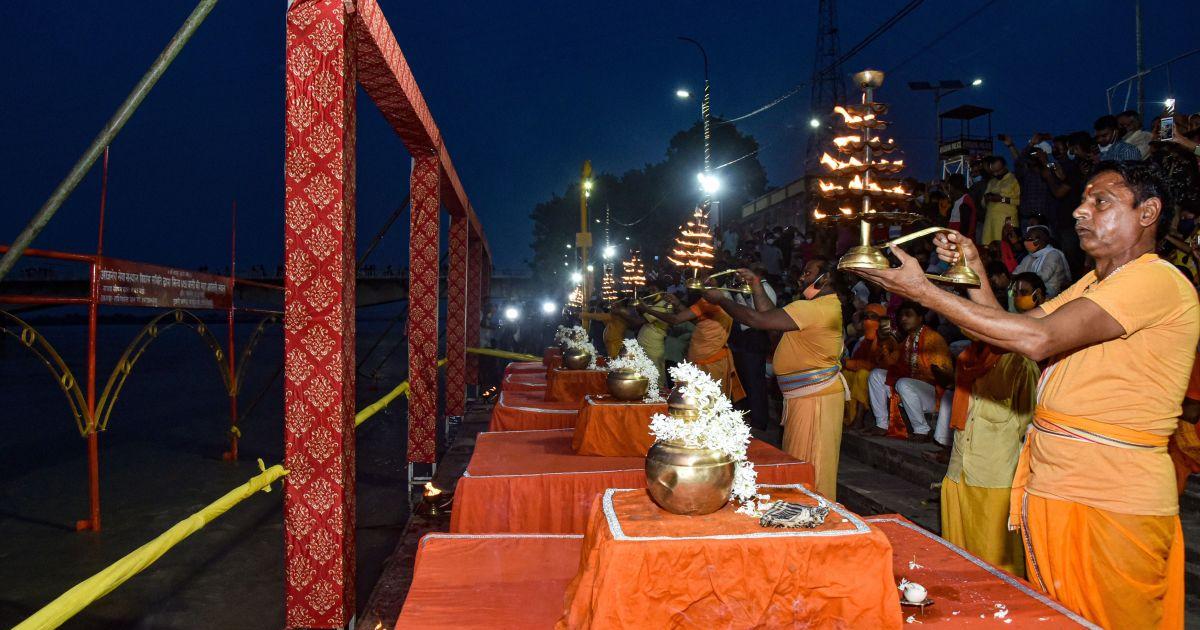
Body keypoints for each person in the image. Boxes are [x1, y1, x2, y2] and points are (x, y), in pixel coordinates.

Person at [851, 160, 1199, 628]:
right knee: (1058, 616)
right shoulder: (1095, 283)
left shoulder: (1155, 279)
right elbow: (1012, 331)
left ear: (1148, 212)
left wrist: (924, 292)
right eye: (1083, 199)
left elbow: (1038, 340)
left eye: (1100, 202)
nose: (1079, 211)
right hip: (1059, 481)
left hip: (1111, 492)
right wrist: (973, 269)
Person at [700, 258, 846, 499]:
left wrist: (722, 300)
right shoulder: (815, 306)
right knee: (799, 458)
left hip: (815, 398)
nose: (802, 277)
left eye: (808, 272)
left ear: (826, 278)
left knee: (812, 462)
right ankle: (802, 505)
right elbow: (768, 316)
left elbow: (757, 320)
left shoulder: (816, 308)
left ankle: (816, 509)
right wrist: (756, 285)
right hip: (804, 396)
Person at [939, 340, 1040, 577]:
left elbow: (1027, 421)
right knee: (958, 553)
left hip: (993, 470)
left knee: (995, 556)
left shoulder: (1020, 364)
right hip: (959, 467)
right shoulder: (967, 359)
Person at [865, 302, 953, 442]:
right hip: (910, 388)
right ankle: (881, 424)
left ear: (920, 318)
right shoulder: (907, 340)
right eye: (901, 316)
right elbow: (891, 364)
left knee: (903, 383)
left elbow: (944, 377)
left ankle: (922, 430)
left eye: (908, 315)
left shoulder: (933, 339)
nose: (903, 319)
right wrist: (883, 343)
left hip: (934, 394)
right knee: (876, 375)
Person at [650, 290, 746, 402]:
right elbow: (697, 320)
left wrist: (647, 309)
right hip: (705, 356)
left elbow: (675, 319)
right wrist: (678, 304)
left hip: (711, 359)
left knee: (708, 398)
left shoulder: (711, 300)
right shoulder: (723, 299)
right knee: (703, 397)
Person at [729, 264, 777, 431]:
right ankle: (749, 415)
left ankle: (759, 421)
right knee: (745, 379)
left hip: (756, 336)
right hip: (744, 337)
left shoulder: (765, 289)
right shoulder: (746, 288)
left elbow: (764, 315)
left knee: (755, 380)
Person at [843, 303, 895, 429]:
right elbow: (858, 360)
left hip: (887, 378)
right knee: (846, 374)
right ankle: (849, 417)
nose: (868, 320)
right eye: (866, 317)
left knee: (862, 374)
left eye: (873, 317)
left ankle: (859, 417)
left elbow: (876, 365)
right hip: (872, 374)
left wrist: (849, 363)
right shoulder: (865, 341)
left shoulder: (888, 339)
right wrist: (846, 363)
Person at [1011, 225, 1071, 297]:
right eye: (1025, 239)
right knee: (1012, 292)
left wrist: (1024, 281)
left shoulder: (1053, 254)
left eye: (1029, 239)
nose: (1025, 242)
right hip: (1033, 290)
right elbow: (1016, 273)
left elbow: (1044, 276)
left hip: (1051, 294)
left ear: (1040, 241)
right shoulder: (1029, 256)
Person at [980, 155, 1020, 245]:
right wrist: (987, 199)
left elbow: (1020, 201)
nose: (996, 174)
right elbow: (982, 204)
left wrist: (1002, 199)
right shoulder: (992, 181)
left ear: (1005, 167)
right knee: (989, 247)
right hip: (990, 223)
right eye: (993, 171)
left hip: (1006, 222)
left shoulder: (1014, 180)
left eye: (998, 171)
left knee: (1005, 247)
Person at [944, 174, 978, 238]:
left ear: (952, 186)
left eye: (948, 186)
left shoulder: (965, 200)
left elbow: (965, 225)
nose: (948, 189)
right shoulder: (958, 200)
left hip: (960, 240)